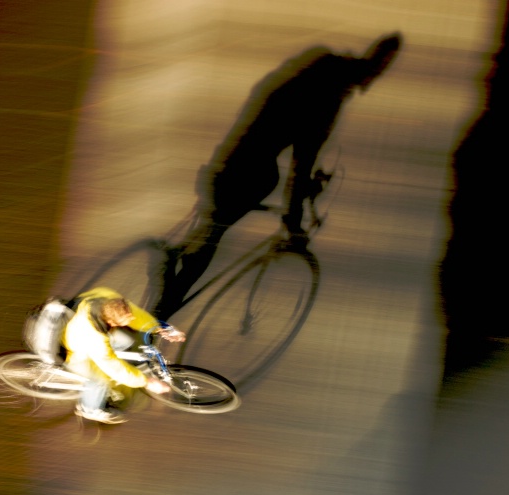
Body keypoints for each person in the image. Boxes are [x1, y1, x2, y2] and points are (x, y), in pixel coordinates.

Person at [155, 31, 403, 320]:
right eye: (380, 69)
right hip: (248, 166)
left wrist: (300, 195)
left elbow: (291, 141)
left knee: (216, 225)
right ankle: (162, 309)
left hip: (236, 153)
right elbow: (301, 162)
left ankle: (170, 277)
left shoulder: (321, 66)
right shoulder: (327, 97)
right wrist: (294, 221)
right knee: (216, 233)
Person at [63, 286, 186, 424]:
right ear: (111, 322)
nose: (131, 318)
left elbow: (136, 314)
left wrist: (160, 329)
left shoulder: (109, 299)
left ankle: (128, 372)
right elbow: (112, 366)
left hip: (89, 331)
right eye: (125, 320)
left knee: (127, 341)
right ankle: (88, 409)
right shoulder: (95, 338)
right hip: (80, 351)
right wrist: (145, 382)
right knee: (100, 380)